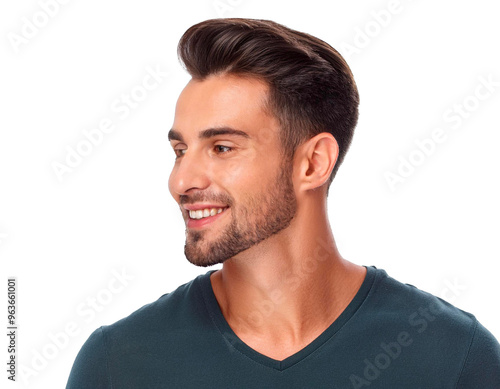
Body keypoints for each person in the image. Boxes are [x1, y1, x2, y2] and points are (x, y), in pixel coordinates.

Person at [66, 18, 500, 388]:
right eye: (180, 151)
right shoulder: (117, 364)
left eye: (221, 148)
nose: (180, 180)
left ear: (312, 163)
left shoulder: (453, 357)